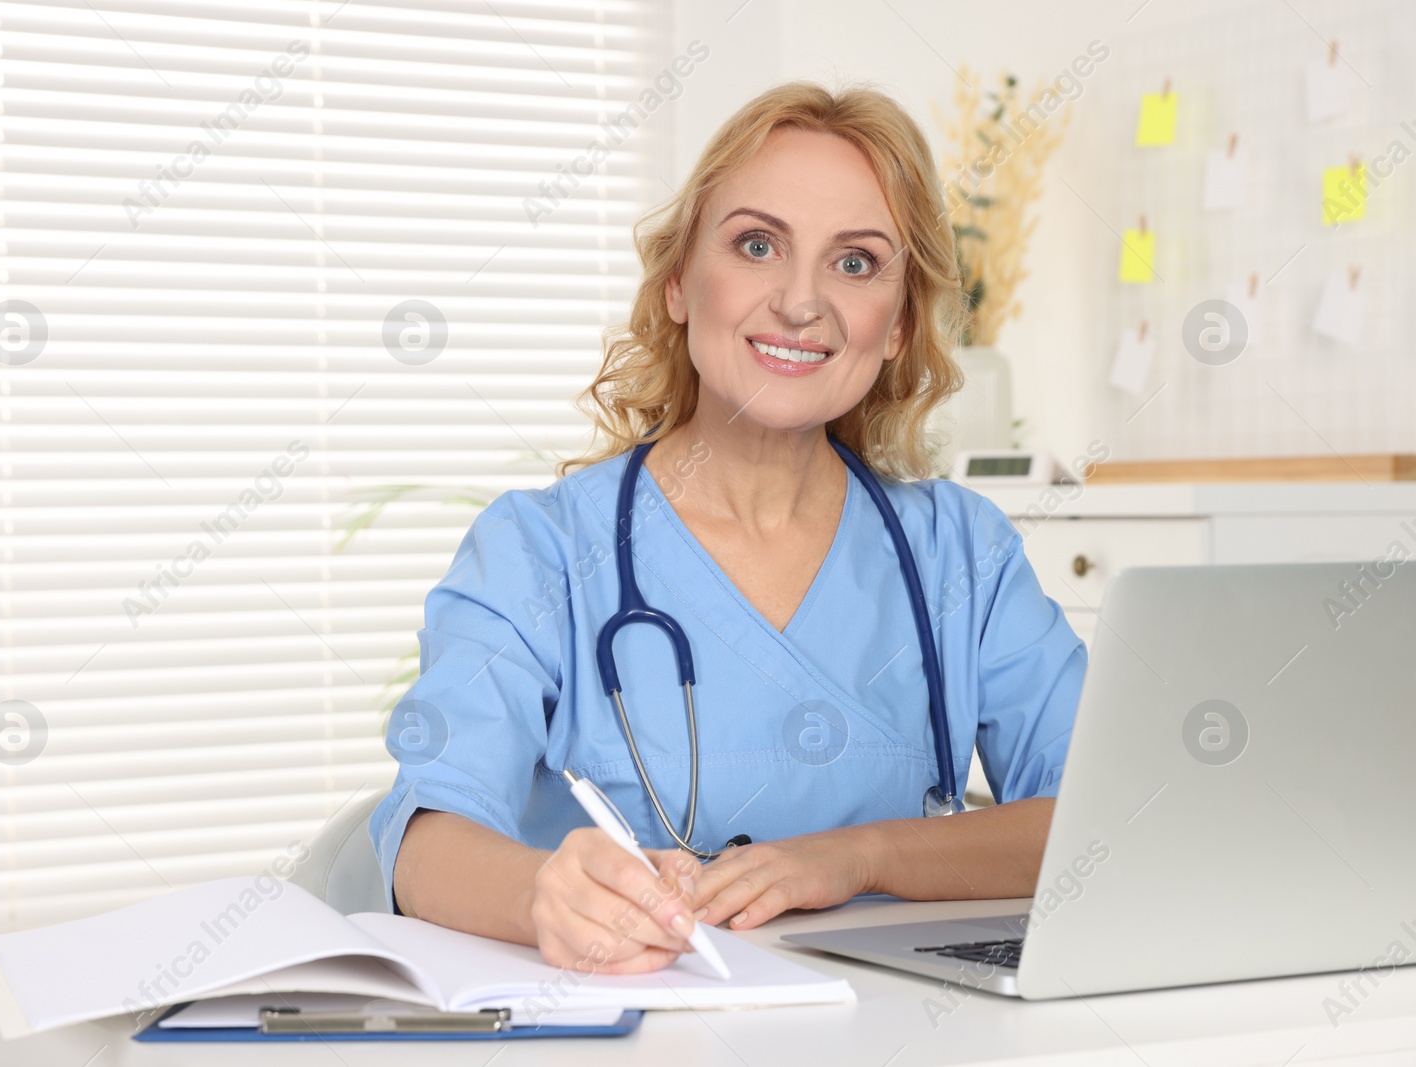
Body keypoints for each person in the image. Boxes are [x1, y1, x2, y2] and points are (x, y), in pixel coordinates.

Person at [368, 81, 1085, 975]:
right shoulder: (537, 552)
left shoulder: (961, 555)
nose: (800, 301)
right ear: (678, 281)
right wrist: (538, 892)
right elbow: (426, 839)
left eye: (855, 263)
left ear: (899, 322)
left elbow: (1101, 812)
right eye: (757, 245)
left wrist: (860, 856)